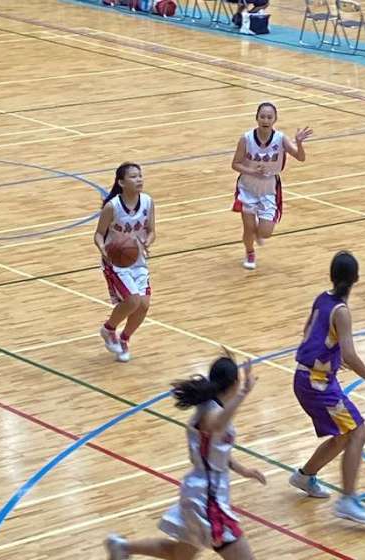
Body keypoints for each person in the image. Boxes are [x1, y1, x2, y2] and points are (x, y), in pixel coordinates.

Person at [105, 352, 266, 559]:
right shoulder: (210, 412)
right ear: (235, 383)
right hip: (207, 497)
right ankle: (122, 547)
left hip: (200, 490)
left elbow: (216, 450)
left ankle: (122, 547)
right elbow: (217, 425)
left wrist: (243, 470)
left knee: (180, 554)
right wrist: (243, 393)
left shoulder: (211, 406)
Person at [289, 251, 365, 524]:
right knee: (359, 432)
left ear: (332, 276)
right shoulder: (342, 312)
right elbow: (350, 355)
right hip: (316, 384)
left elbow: (308, 333)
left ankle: (305, 476)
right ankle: (347, 500)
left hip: (307, 377)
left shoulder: (322, 298)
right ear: (356, 279)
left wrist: (329, 356)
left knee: (344, 435)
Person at [231, 102, 312, 270]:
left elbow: (300, 157)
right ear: (257, 118)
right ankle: (250, 252)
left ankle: (258, 233)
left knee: (266, 232)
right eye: (262, 116)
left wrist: (299, 143)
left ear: (275, 119)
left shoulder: (280, 139)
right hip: (247, 186)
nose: (265, 120)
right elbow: (235, 164)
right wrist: (252, 171)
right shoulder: (246, 139)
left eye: (269, 117)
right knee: (248, 228)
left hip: (269, 188)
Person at [94, 162, 155, 363]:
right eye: (133, 176)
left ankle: (124, 338)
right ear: (121, 182)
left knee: (143, 305)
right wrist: (103, 249)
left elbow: (151, 231)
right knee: (132, 300)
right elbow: (99, 234)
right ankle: (108, 328)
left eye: (140, 176)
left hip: (138, 260)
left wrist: (147, 242)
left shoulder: (147, 202)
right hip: (116, 262)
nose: (139, 179)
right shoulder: (112, 206)